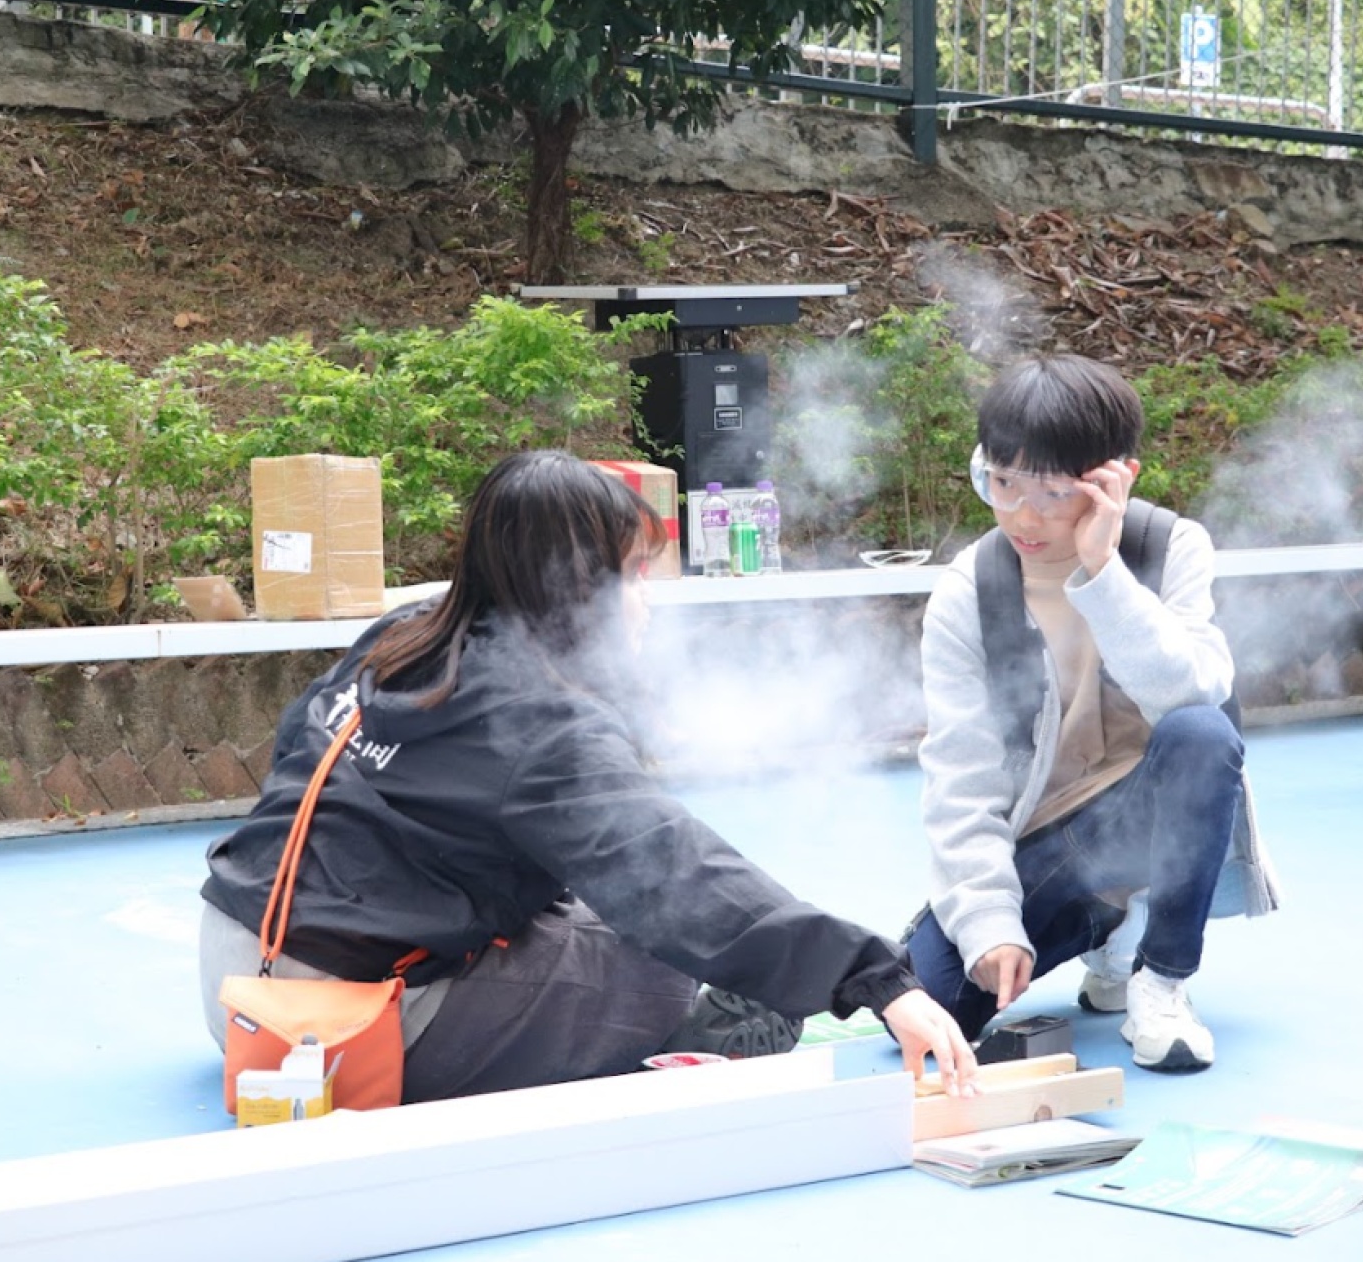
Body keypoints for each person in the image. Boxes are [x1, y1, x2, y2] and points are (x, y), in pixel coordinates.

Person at [200, 450, 977, 1101]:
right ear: (583, 588)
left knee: (580, 903)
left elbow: (308, 761)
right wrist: (873, 976)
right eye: (635, 575)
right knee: (657, 959)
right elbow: (677, 875)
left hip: (236, 983)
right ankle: (694, 1039)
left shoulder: (402, 636)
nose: (646, 599)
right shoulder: (543, 723)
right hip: (344, 1026)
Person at [905, 355, 1280, 1073]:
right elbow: (960, 777)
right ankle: (1107, 925)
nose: (1023, 515)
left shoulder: (1168, 549)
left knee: (1202, 733)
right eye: (1002, 483)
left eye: (1053, 493)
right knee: (931, 1004)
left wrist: (1104, 571)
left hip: (1146, 812)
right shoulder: (969, 591)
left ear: (1114, 481)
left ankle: (1161, 979)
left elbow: (1194, 693)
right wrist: (990, 924)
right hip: (1049, 839)